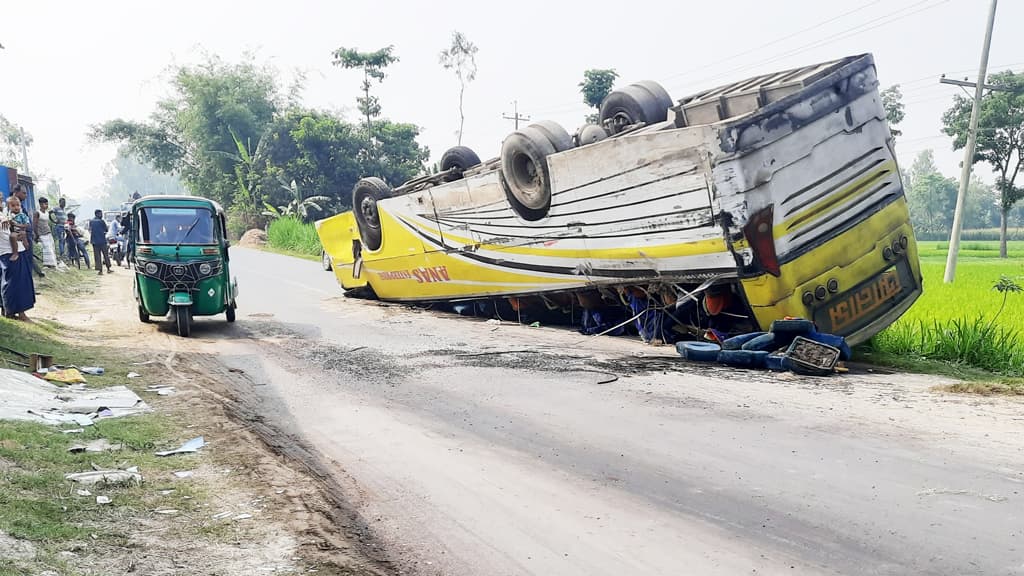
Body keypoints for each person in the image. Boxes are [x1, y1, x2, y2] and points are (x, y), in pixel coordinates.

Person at [0, 196, 35, 320]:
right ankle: (18, 312)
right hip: (8, 253)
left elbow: (25, 225)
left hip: (16, 251)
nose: (1, 203)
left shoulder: (5, 215)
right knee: (14, 284)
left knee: (10, 283)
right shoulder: (5, 216)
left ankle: (9, 311)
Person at [12, 185, 44, 278]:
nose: (26, 195)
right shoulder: (13, 207)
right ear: (16, 192)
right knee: (25, 259)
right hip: (22, 237)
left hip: (27, 236)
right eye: (24, 193)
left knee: (29, 258)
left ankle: (31, 282)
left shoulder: (20, 206)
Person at [33, 197, 61, 269]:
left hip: (48, 232)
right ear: (41, 204)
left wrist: (56, 221)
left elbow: (50, 220)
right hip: (41, 233)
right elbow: (34, 224)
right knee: (47, 248)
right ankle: (48, 264)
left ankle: (52, 264)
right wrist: (36, 234)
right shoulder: (37, 213)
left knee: (51, 247)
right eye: (45, 204)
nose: (46, 205)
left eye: (47, 204)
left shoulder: (47, 213)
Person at [5, 196, 30, 261]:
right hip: (13, 231)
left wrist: (17, 224)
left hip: (20, 232)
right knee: (12, 235)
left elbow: (27, 225)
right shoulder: (8, 215)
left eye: (18, 205)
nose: (16, 207)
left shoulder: (22, 215)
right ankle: (24, 242)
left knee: (13, 236)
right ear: (8, 207)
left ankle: (15, 253)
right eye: (13, 206)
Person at [89, 209, 112, 275]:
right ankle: (108, 269)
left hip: (94, 241)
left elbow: (90, 229)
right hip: (102, 240)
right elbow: (106, 230)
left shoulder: (91, 221)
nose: (101, 215)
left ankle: (100, 271)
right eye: (100, 214)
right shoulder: (101, 221)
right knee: (106, 255)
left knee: (97, 256)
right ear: (97, 214)